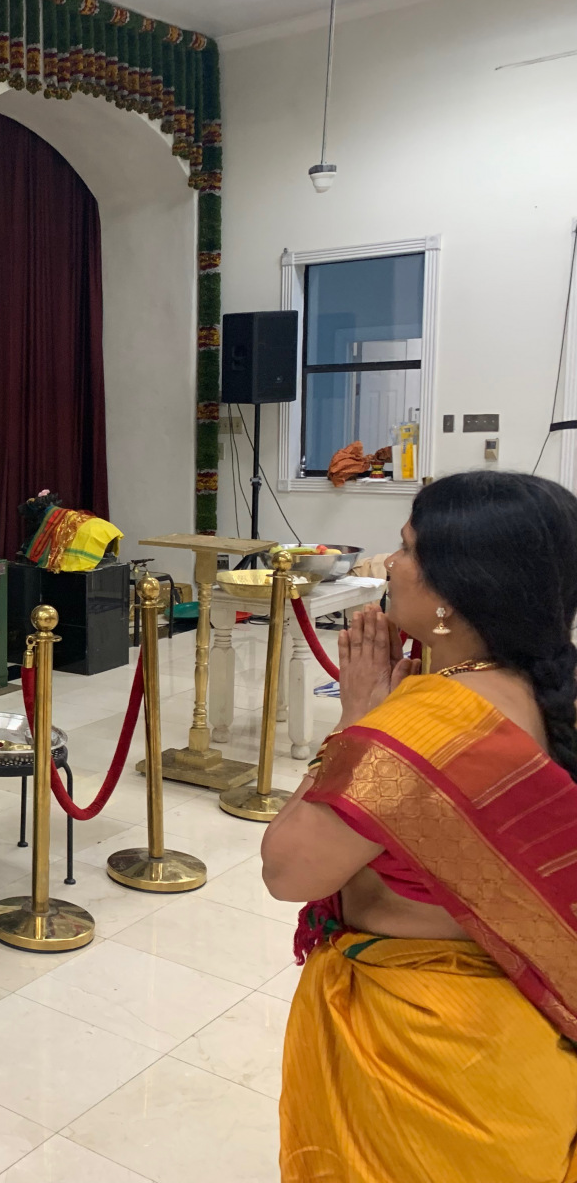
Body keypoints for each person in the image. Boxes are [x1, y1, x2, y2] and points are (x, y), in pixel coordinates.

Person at [261, 471, 577, 1183]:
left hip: (422, 1056)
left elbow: (288, 870)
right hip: (523, 1051)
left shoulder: (421, 729)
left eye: (406, 548)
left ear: (451, 597)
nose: (389, 564)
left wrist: (355, 720)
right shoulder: (553, 693)